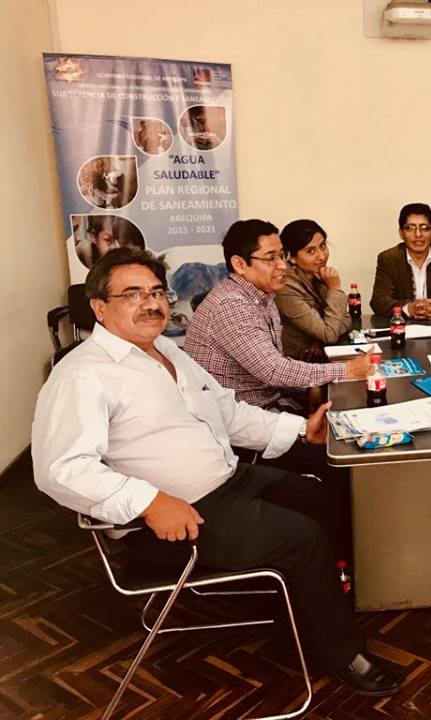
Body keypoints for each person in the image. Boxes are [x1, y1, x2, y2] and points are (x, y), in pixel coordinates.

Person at [31, 248, 402, 697]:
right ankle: (340, 652)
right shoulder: (82, 375)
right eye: (132, 294)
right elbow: (60, 468)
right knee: (302, 538)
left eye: (156, 292)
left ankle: (308, 613)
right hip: (171, 518)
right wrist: (149, 502)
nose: (151, 304)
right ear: (99, 308)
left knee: (329, 500)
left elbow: (226, 411)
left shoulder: (166, 350)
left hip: (228, 481)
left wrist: (300, 430)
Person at [185, 218, 369, 414]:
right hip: (246, 415)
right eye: (271, 258)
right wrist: (346, 370)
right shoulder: (231, 305)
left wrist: (314, 386)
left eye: (282, 255)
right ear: (240, 265)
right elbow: (274, 371)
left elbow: (340, 319)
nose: (282, 265)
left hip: (272, 398)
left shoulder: (264, 294)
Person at [370, 202, 431, 319]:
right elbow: (379, 301)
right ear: (401, 233)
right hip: (403, 326)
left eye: (424, 228)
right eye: (410, 228)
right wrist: (408, 308)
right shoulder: (388, 259)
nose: (418, 234)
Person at [275, 219, 351, 361]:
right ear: (292, 258)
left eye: (322, 246)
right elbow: (329, 334)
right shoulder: (285, 287)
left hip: (319, 357)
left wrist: (321, 338)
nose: (322, 256)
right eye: (310, 251)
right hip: (297, 362)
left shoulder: (317, 274)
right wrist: (335, 288)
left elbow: (345, 318)